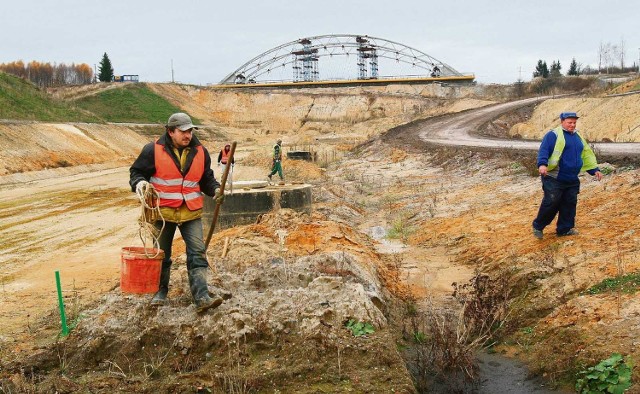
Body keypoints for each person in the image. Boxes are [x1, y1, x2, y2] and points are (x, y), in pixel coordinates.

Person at [129, 112, 225, 312]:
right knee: (160, 255)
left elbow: (206, 179)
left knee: (197, 252)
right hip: (163, 213)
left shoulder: (201, 152)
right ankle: (160, 292)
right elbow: (136, 172)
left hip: (190, 212)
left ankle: (201, 297)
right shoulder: (152, 151)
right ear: (171, 131)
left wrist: (215, 189)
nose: (188, 135)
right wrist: (139, 183)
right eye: (183, 131)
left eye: (190, 131)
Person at [532, 112, 602, 239]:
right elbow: (544, 150)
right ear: (562, 122)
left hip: (571, 178)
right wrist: (542, 164)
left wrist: (594, 169)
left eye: (574, 122)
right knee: (551, 202)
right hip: (554, 177)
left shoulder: (578, 136)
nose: (572, 125)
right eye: (570, 122)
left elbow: (586, 154)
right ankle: (538, 226)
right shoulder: (553, 135)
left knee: (569, 203)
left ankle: (564, 229)